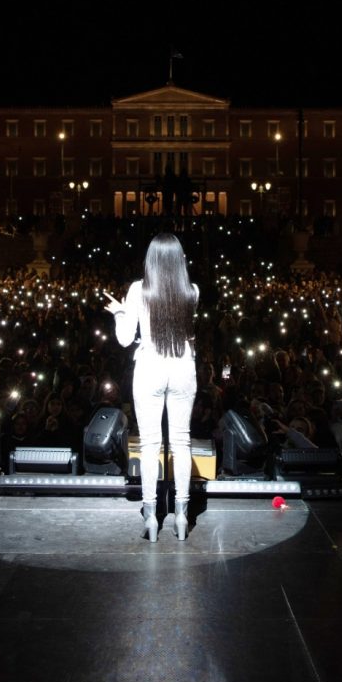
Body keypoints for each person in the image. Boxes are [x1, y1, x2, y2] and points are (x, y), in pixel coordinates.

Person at [105, 232, 199, 543]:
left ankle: (151, 516)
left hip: (150, 366)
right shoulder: (192, 291)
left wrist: (119, 312)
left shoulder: (137, 290)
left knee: (149, 445)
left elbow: (124, 339)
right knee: (181, 442)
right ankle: (182, 515)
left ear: (152, 259)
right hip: (182, 365)